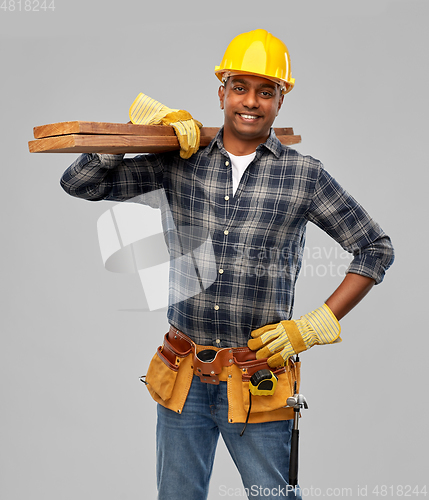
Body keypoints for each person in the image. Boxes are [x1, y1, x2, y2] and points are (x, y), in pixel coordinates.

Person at [60, 29, 394, 500]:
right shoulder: (180, 159)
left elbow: (375, 248)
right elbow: (81, 184)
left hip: (257, 377)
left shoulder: (304, 175)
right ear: (222, 92)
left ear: (282, 99)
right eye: (240, 87)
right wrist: (124, 138)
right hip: (183, 374)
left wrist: (316, 324)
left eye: (266, 91)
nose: (251, 101)